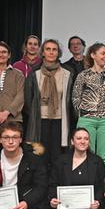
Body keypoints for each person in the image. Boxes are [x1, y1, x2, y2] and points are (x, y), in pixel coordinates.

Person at [24, 39, 73, 170]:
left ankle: (55, 186)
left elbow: (70, 100)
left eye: (54, 49)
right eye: (48, 49)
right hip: (40, 120)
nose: (51, 52)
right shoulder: (35, 73)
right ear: (43, 53)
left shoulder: (67, 73)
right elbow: (28, 99)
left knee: (57, 157)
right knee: (41, 155)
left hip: (60, 121)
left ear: (59, 53)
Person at [71, 42, 105, 168]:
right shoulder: (83, 75)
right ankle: (87, 185)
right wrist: (84, 112)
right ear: (93, 55)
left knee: (104, 157)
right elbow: (75, 98)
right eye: (102, 53)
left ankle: (104, 186)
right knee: (85, 154)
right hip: (87, 119)